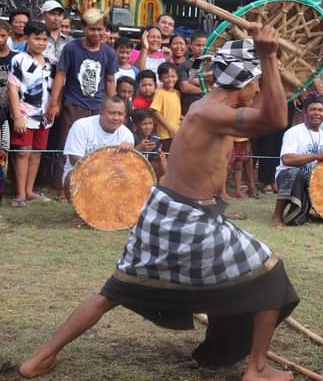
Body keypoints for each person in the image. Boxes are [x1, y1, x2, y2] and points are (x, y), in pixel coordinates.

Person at [20, 25, 298, 381]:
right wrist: (269, 56)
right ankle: (257, 369)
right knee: (269, 274)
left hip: (170, 212)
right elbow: (275, 118)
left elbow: (271, 105)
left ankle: (40, 358)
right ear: (244, 82)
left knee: (113, 292)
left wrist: (270, 62)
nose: (259, 89)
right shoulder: (208, 112)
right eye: (256, 83)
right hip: (185, 219)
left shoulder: (213, 109)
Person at [47, 8, 119, 177]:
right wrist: (54, 103)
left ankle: (93, 181)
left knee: (97, 145)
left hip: (98, 105)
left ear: (105, 30)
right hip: (74, 103)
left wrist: (113, 106)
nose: (96, 33)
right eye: (92, 29)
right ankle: (63, 183)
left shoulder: (108, 52)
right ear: (84, 28)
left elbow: (110, 80)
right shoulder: (71, 48)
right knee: (68, 144)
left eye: (100, 29)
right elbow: (60, 75)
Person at [7, 21, 55, 208]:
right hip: (25, 114)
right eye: (37, 38)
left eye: (44, 39)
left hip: (44, 117)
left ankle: (29, 190)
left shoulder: (51, 62)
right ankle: (19, 194)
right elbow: (13, 88)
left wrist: (53, 107)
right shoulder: (19, 59)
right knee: (22, 153)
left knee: (36, 153)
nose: (41, 43)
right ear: (27, 38)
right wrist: (17, 115)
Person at [272, 96, 323, 227]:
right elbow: (286, 159)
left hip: (313, 180)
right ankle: (277, 215)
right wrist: (316, 156)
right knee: (294, 172)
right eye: (312, 110)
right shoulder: (293, 132)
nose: (317, 113)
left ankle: (313, 211)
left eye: (320, 110)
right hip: (288, 177)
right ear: (304, 112)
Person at [60, 96, 135, 189]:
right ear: (101, 112)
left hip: (111, 178)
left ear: (125, 115)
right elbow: (74, 159)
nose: (116, 117)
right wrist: (101, 173)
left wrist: (128, 153)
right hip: (81, 174)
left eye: (120, 114)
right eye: (112, 113)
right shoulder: (81, 126)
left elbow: (126, 167)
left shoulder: (127, 134)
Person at [150, 62, 182, 152]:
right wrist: (170, 129)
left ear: (177, 77)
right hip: (165, 135)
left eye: (173, 76)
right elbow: (155, 111)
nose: (170, 79)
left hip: (176, 133)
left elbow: (173, 112)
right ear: (160, 79)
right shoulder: (160, 93)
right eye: (166, 77)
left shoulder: (177, 93)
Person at [176, 30, 208, 115]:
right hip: (190, 110)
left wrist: (193, 81)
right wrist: (207, 89)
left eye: (204, 45)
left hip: (208, 110)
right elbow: (184, 87)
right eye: (198, 45)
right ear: (190, 45)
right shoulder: (184, 65)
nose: (201, 48)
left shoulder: (213, 64)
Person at [131, 108, 165, 178]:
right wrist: (138, 149)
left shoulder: (155, 139)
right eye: (144, 124)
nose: (148, 127)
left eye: (150, 123)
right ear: (135, 126)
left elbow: (155, 162)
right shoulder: (130, 138)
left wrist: (159, 157)